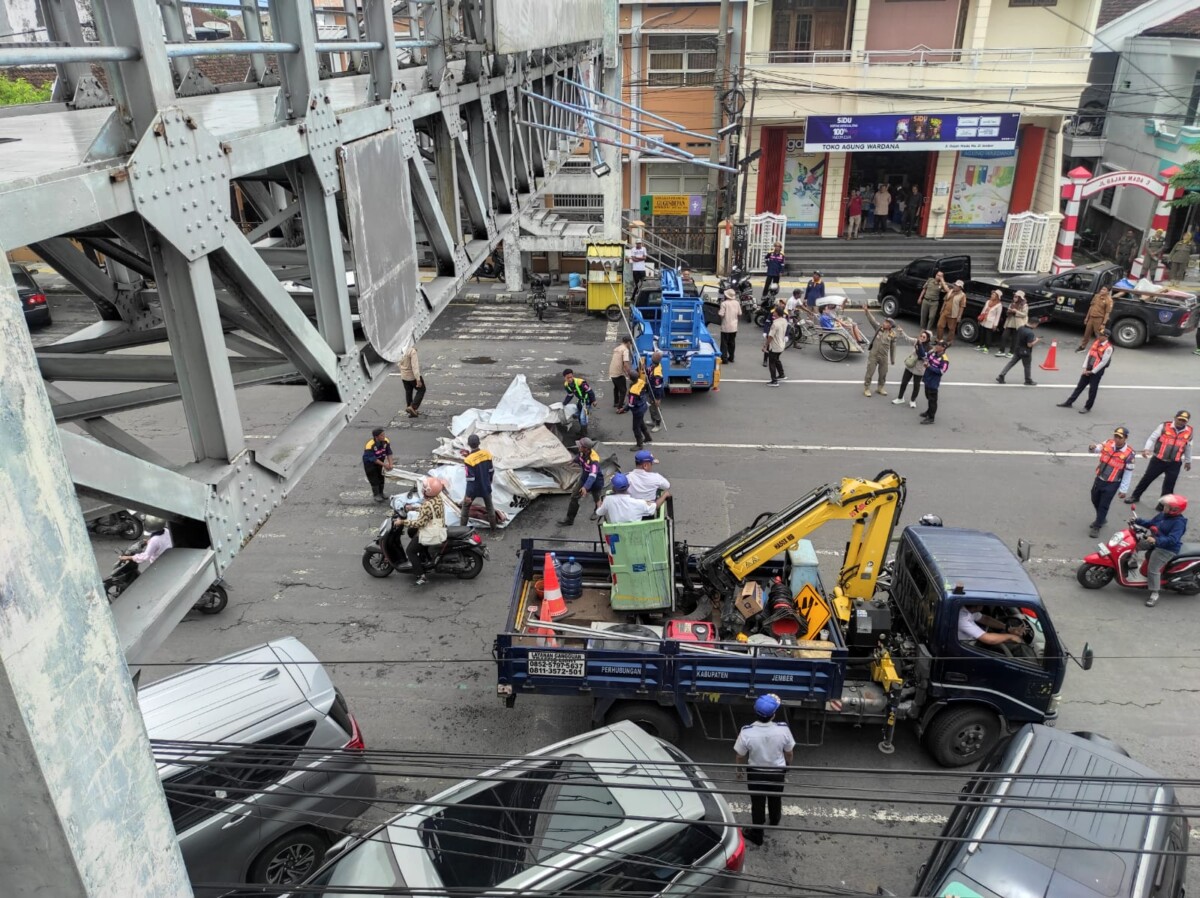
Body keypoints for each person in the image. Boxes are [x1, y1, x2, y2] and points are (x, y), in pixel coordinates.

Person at [734, 693, 794, 848]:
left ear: (755, 711)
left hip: (756, 773)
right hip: (777, 772)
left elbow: (740, 756)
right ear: (773, 714)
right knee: (775, 798)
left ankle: (757, 834)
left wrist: (739, 770)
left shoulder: (747, 731)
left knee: (757, 803)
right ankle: (775, 820)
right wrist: (787, 768)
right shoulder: (783, 729)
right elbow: (789, 753)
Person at [1133, 494, 1188, 607]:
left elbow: (1172, 539)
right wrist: (1137, 521)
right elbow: (1150, 523)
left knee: (1153, 569)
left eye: (1167, 506)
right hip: (1155, 541)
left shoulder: (1179, 523)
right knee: (1136, 545)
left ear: (1174, 510)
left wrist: (1156, 540)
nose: (1164, 507)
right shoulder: (1163, 515)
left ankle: (1154, 593)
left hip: (1167, 548)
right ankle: (1132, 563)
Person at [1127, 411, 1193, 505]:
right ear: (1175, 418)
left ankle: (1163, 505)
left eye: (1184, 421)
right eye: (1180, 419)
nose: (1181, 422)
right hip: (1158, 460)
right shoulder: (1164, 426)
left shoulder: (1189, 431)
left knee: (1169, 485)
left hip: (1174, 463)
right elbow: (1152, 438)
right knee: (1147, 479)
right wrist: (1146, 449)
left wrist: (1188, 461)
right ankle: (1135, 496)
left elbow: (1188, 447)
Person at [1087, 426, 1135, 538]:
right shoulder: (1108, 443)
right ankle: (1102, 518)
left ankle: (1097, 526)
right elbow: (1096, 449)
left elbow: (1128, 473)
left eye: (1120, 437)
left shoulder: (1129, 454)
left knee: (1104, 505)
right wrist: (1092, 447)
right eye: (1116, 436)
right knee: (1094, 499)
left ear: (1126, 438)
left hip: (1112, 483)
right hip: (1099, 478)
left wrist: (1123, 490)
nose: (1117, 439)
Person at [1057, 330, 1113, 414]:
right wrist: (1085, 367)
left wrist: (1093, 371)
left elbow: (1103, 362)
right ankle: (1069, 402)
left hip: (1096, 371)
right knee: (1079, 386)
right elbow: (1089, 354)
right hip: (1088, 368)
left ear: (1106, 337)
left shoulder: (1108, 348)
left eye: (1101, 335)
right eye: (1099, 334)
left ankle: (1087, 407)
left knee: (1092, 390)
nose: (1099, 336)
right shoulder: (1096, 342)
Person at [405, 477, 447, 586]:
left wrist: (402, 522)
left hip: (430, 531)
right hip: (438, 526)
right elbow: (428, 511)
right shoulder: (438, 497)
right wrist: (413, 508)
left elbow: (420, 523)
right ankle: (424, 557)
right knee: (412, 532)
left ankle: (421, 576)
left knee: (410, 551)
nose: (423, 490)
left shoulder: (428, 505)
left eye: (424, 488)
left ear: (428, 491)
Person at [558, 437, 605, 526]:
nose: (578, 447)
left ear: (586, 449)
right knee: (574, 496)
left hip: (595, 482)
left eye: (580, 446)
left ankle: (598, 511)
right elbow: (579, 458)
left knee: (597, 498)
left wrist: (585, 487)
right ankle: (569, 519)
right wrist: (573, 461)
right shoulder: (582, 452)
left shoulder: (594, 460)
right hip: (584, 479)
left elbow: (592, 476)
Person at [862, 306, 904, 397]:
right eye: (885, 321)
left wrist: (892, 359)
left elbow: (893, 348)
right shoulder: (878, 328)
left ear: (890, 326)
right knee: (870, 372)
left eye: (886, 322)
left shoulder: (893, 335)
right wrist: (867, 311)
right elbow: (872, 320)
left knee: (883, 373)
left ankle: (880, 387)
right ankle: (867, 388)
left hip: (884, 357)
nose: (884, 323)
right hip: (874, 354)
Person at [596, 472, 666, 523]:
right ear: (628, 486)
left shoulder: (608, 500)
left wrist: (599, 505)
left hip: (618, 538)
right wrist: (665, 495)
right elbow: (654, 507)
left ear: (613, 489)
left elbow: (599, 512)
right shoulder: (639, 503)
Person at [459, 434, 497, 529]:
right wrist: (489, 482)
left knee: (465, 508)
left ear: (468, 444)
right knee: (490, 507)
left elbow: (470, 479)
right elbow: (491, 470)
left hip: (474, 489)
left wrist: (468, 495)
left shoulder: (469, 460)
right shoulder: (487, 454)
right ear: (479, 443)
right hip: (486, 486)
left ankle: (462, 529)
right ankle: (494, 529)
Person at [957, 604, 1029, 647]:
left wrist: (1008, 628)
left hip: (975, 641)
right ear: (976, 605)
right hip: (968, 646)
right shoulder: (962, 618)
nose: (984, 604)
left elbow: (985, 619)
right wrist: (1012, 637)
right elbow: (988, 639)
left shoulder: (969, 611)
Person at [892, 329, 931, 409]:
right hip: (910, 365)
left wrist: (920, 345)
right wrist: (901, 332)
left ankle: (912, 400)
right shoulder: (916, 341)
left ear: (927, 339)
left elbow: (923, 356)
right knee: (904, 382)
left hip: (919, 369)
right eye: (921, 336)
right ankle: (900, 398)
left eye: (924, 337)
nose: (922, 338)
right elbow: (907, 338)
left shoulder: (929, 348)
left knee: (916, 386)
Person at [996, 319, 1039, 386]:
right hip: (1025, 351)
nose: (1036, 327)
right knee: (1027, 366)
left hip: (1017, 349)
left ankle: (1001, 375)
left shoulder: (1020, 328)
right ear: (1034, 324)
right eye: (1036, 325)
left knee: (1011, 363)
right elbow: (1029, 344)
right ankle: (1028, 380)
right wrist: (1036, 340)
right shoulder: (1030, 333)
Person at [920, 341, 949, 424]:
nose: (936, 346)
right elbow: (925, 357)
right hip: (927, 378)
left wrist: (929, 367)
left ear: (943, 348)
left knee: (932, 400)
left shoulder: (944, 359)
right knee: (928, 396)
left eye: (938, 345)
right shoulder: (932, 353)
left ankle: (931, 417)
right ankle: (928, 412)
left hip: (934, 382)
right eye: (936, 344)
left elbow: (942, 371)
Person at [362, 427, 393, 503]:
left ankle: (381, 493)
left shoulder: (386, 441)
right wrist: (385, 465)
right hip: (370, 464)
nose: (384, 436)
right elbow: (373, 459)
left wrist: (390, 464)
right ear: (376, 437)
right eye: (382, 435)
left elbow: (389, 453)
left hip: (380, 461)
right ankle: (376, 494)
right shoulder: (369, 445)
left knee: (381, 477)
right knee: (374, 478)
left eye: (384, 434)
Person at [1077, 287, 1112, 351]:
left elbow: (1107, 313)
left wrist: (1103, 323)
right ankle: (1083, 346)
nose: (1102, 290)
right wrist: (1087, 318)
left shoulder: (1108, 300)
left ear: (1108, 292)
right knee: (1087, 333)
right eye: (1101, 289)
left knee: (1099, 335)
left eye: (1104, 290)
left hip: (1099, 319)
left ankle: (1101, 348)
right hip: (1091, 318)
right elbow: (1091, 307)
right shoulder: (1096, 296)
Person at [997, 291, 1028, 358]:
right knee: (1004, 336)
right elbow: (1007, 312)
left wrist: (1016, 311)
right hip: (1010, 322)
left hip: (1018, 324)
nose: (1014, 298)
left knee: (1015, 339)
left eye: (1016, 297)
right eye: (1014, 297)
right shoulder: (1012, 303)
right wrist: (1009, 311)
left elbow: (1024, 314)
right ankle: (1001, 351)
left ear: (1020, 298)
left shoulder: (1024, 305)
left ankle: (1011, 352)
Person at [627, 372, 653, 449]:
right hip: (643, 406)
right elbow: (647, 388)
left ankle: (639, 444)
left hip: (637, 410)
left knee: (635, 427)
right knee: (641, 422)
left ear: (630, 378)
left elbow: (631, 404)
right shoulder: (641, 381)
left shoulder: (633, 391)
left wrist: (624, 409)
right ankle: (648, 437)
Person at [608, 335, 634, 413]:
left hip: (612, 372)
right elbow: (625, 364)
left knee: (616, 387)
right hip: (618, 373)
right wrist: (629, 374)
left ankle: (616, 402)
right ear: (629, 342)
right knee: (623, 390)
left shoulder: (617, 348)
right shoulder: (625, 350)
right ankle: (620, 407)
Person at [398, 344, 425, 418]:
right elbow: (415, 367)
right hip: (412, 376)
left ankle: (409, 407)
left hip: (404, 375)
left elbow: (398, 363)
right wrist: (418, 379)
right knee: (421, 390)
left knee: (408, 391)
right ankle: (413, 407)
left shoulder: (399, 349)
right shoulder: (412, 351)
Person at [937, 281, 966, 346]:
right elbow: (945, 300)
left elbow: (962, 306)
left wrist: (959, 316)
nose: (955, 286)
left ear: (960, 287)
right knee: (940, 325)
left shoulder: (962, 295)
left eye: (957, 286)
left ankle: (949, 342)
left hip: (953, 314)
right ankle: (939, 339)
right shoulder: (950, 291)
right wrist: (942, 309)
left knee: (951, 329)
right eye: (955, 285)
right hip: (945, 311)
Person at [918, 271, 946, 335]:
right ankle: (922, 328)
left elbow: (946, 290)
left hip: (934, 302)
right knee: (923, 315)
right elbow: (924, 289)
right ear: (935, 275)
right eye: (937, 275)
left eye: (940, 276)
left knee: (932, 317)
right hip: (926, 300)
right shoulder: (930, 280)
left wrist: (942, 281)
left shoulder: (942, 284)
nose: (938, 276)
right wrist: (920, 298)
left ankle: (928, 330)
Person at [765, 308, 787, 387]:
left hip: (775, 346)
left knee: (772, 363)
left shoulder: (775, 324)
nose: (773, 313)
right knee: (777, 360)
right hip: (782, 344)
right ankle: (781, 374)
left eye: (774, 312)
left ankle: (774, 381)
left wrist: (765, 346)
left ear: (777, 313)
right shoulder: (784, 321)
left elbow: (770, 336)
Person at [976, 290, 1003, 354]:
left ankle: (986, 347)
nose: (992, 296)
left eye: (994, 295)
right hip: (984, 320)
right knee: (982, 333)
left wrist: (995, 325)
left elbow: (997, 316)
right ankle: (981, 345)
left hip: (991, 322)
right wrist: (980, 318)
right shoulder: (988, 301)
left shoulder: (999, 305)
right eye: (992, 294)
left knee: (988, 335)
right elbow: (983, 310)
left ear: (997, 297)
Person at [719, 288, 741, 364]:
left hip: (725, 327)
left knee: (724, 343)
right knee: (732, 343)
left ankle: (724, 359)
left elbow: (721, 314)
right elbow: (739, 313)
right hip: (734, 327)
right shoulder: (737, 303)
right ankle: (731, 358)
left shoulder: (724, 303)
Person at [645, 350, 665, 431]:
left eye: (653, 355)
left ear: (655, 358)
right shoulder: (653, 365)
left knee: (655, 409)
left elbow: (658, 387)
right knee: (651, 408)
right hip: (651, 390)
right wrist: (645, 368)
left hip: (655, 393)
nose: (652, 356)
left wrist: (658, 399)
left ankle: (657, 424)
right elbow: (648, 371)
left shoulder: (657, 373)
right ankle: (653, 421)